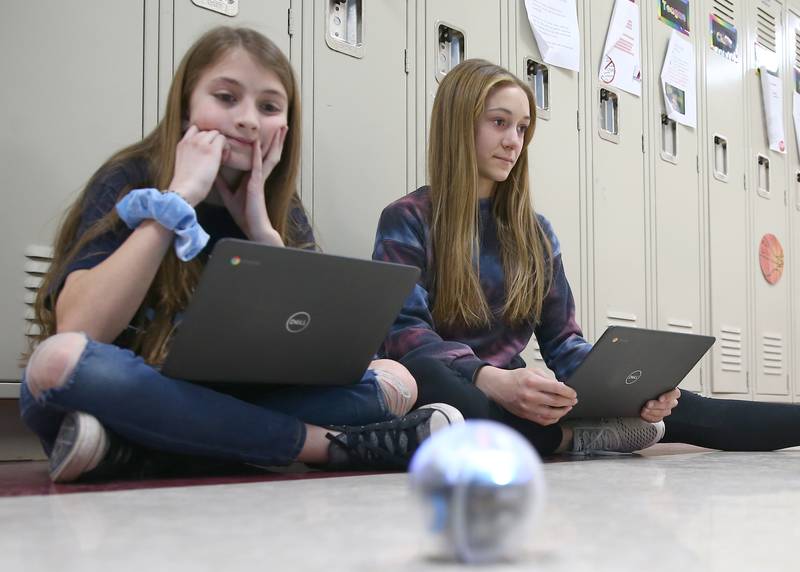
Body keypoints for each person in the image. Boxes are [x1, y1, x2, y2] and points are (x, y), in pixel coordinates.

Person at [20, 26, 462, 484]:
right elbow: (79, 328)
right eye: (226, 98)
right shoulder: (131, 177)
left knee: (396, 379)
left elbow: (323, 350)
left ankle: (138, 448)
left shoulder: (276, 205)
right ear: (187, 103)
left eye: (268, 106)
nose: (248, 120)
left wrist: (261, 232)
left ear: (286, 125)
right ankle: (330, 446)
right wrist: (176, 200)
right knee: (60, 362)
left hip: (236, 397)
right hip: (132, 386)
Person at [373, 58, 800, 456]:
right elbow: (406, 337)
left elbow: (563, 343)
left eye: (522, 128)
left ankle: (582, 432)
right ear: (459, 125)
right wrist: (490, 378)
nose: (512, 142)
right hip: (453, 386)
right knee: (456, 401)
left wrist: (633, 388)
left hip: (514, 395)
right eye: (499, 123)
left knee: (684, 407)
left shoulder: (534, 233)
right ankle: (579, 437)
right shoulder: (407, 219)